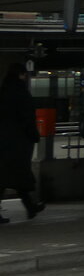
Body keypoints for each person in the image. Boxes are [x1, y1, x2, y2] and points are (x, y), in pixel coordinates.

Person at [0, 63, 46, 222]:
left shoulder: (3, 91)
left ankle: (30, 207)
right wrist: (34, 135)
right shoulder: (20, 93)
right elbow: (27, 118)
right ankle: (30, 206)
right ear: (21, 75)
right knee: (14, 175)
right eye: (24, 75)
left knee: (12, 175)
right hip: (17, 141)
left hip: (4, 141)